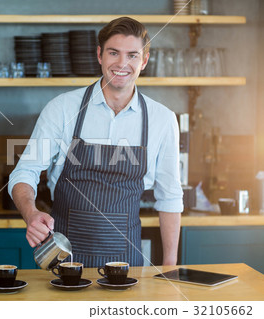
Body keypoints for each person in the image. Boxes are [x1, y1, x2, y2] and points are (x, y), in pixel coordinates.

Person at [9, 17, 183, 267]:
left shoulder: (162, 119)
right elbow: (25, 171)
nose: (122, 63)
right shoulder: (62, 109)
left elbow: (170, 197)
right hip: (63, 258)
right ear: (100, 55)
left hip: (127, 264)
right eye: (114, 53)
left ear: (144, 61)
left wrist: (170, 266)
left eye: (132, 55)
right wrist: (31, 213)